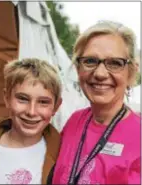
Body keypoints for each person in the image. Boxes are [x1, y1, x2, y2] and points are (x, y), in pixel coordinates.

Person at [51, 21, 140, 184]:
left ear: (131, 72)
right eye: (90, 61)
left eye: (115, 63)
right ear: (78, 69)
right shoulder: (74, 121)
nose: (100, 73)